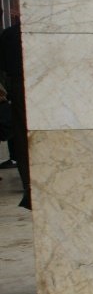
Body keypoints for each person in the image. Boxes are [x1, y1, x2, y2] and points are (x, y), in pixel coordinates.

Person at [0, 24, 29, 209]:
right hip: (30, 86)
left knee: (21, 138)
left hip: (17, 87)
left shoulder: (10, 33)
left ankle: (28, 183)